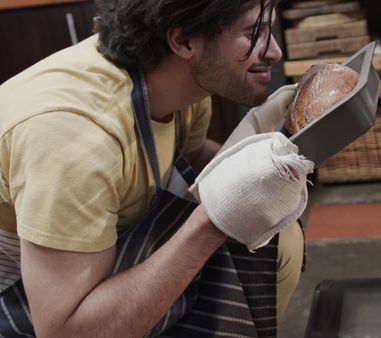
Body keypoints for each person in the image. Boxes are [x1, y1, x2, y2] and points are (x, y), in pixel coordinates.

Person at [0, 0, 312, 337]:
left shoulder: (180, 82)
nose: (276, 52)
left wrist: (268, 152)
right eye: (254, 33)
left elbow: (190, 158)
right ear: (183, 42)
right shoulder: (76, 137)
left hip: (83, 256)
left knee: (278, 237)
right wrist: (214, 220)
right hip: (21, 293)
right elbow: (65, 332)